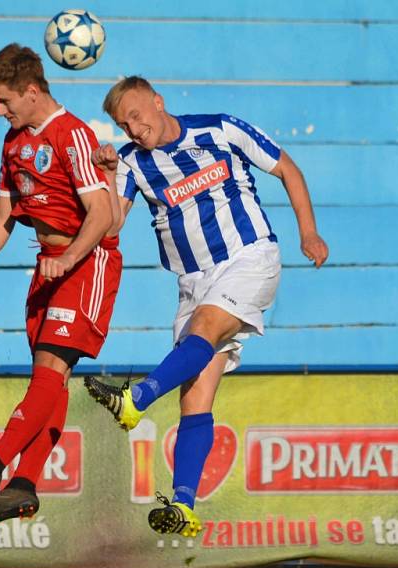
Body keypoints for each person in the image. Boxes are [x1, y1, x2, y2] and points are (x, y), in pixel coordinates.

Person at [84, 76, 329, 537]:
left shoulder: (219, 131)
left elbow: (288, 170)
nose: (134, 129)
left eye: (137, 115)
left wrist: (308, 232)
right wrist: (103, 173)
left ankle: (135, 399)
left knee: (205, 327)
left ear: (158, 102)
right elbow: (111, 223)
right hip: (193, 282)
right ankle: (184, 506)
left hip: (248, 257)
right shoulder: (132, 163)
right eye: (123, 124)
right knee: (194, 395)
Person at [0, 44, 121, 526]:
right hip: (49, 267)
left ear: (32, 91)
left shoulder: (73, 135)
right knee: (52, 383)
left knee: (47, 371)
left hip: (86, 263)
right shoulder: (14, 142)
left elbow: (102, 214)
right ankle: (23, 487)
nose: (0, 112)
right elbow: (3, 215)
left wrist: (67, 259)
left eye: (5, 101)